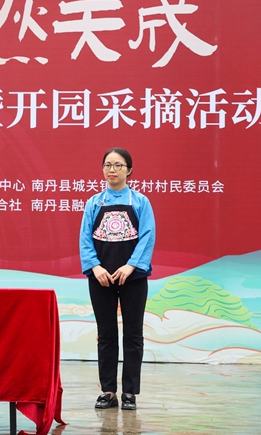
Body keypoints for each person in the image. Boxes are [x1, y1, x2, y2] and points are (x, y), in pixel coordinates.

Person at [79, 147, 155, 411]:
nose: (112, 170)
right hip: (100, 278)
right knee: (106, 335)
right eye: (107, 165)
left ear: (129, 170)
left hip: (133, 278)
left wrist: (131, 266)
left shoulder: (141, 202)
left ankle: (130, 393)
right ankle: (108, 391)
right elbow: (85, 238)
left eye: (118, 165)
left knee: (133, 335)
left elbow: (147, 236)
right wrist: (95, 267)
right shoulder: (93, 203)